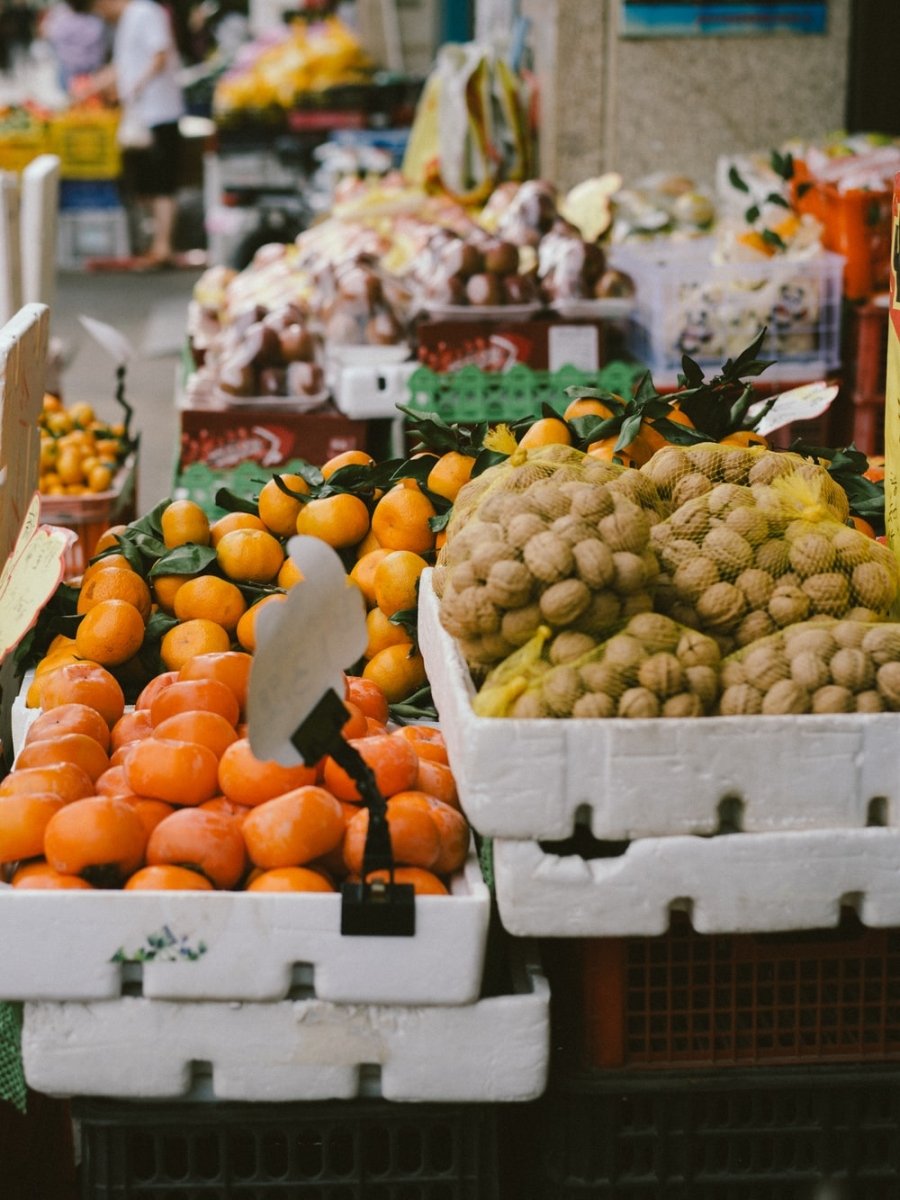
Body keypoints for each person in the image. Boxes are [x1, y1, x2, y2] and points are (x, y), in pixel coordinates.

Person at [90, 0, 186, 269]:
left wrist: (135, 87)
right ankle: (154, 245)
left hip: (159, 111)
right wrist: (90, 88)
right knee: (148, 183)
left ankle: (162, 247)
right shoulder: (129, 19)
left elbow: (160, 54)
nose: (100, 12)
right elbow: (122, 65)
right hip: (143, 115)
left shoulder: (146, 12)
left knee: (162, 183)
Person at [39, 0, 109, 94]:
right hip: (71, 72)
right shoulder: (95, 18)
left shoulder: (60, 15)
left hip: (92, 72)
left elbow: (46, 33)